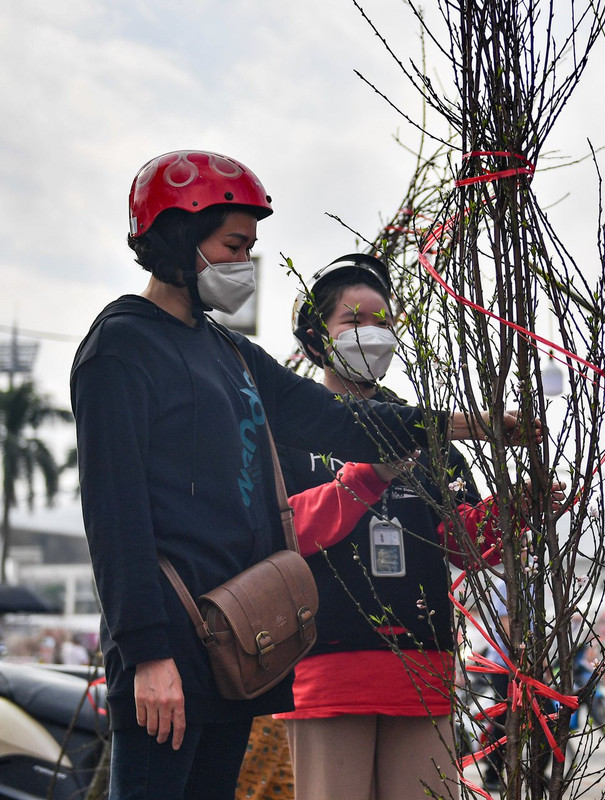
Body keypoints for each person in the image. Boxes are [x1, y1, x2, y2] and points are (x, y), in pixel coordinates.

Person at [71, 150, 535, 800]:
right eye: (233, 246)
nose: (244, 264)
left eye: (250, 249)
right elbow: (114, 519)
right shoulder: (121, 348)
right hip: (166, 651)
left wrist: (471, 425)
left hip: (230, 642)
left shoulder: (230, 352)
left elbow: (337, 419)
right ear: (179, 236)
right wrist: (147, 655)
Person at [277, 254, 559, 800]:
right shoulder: (288, 431)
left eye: (383, 322)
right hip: (327, 663)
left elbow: (460, 544)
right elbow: (283, 533)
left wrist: (515, 511)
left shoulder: (427, 434)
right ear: (315, 338)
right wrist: (368, 477)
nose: (373, 334)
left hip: (424, 668)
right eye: (354, 320)